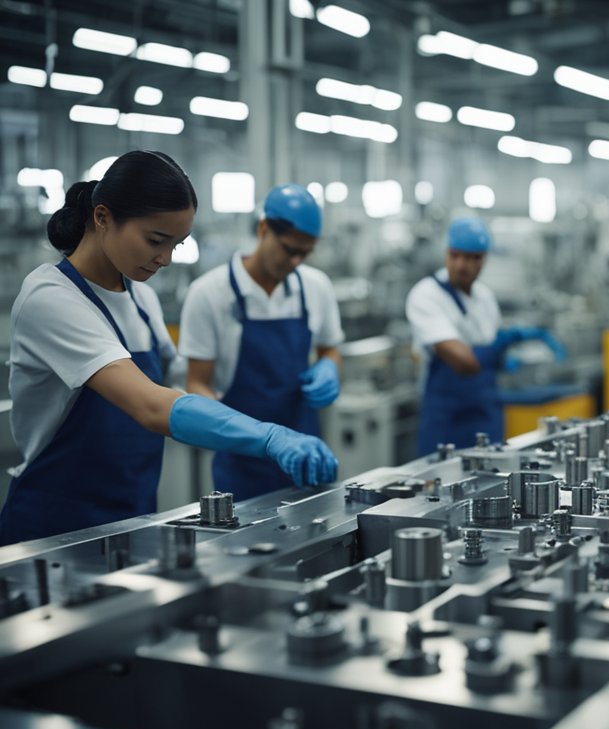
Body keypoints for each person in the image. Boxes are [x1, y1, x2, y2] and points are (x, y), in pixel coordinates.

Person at [0, 151, 338, 545]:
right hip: (54, 526)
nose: (165, 259)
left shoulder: (141, 299)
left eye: (177, 244)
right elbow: (152, 405)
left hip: (131, 515)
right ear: (103, 217)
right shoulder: (51, 297)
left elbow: (183, 386)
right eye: (156, 240)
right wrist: (268, 437)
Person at [178, 184, 344, 500]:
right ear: (263, 228)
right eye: (288, 249)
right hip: (242, 465)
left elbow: (330, 349)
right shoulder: (209, 294)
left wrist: (328, 367)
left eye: (305, 253)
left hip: (306, 460)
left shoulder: (316, 288)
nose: (296, 261)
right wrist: (253, 435)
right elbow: (197, 384)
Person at [405, 216, 565, 453]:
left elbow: (492, 354)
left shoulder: (485, 298)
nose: (462, 265)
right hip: (445, 423)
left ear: (484, 259)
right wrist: (506, 341)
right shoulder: (426, 295)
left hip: (486, 417)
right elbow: (464, 363)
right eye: (456, 255)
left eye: (472, 258)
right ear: (446, 253)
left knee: (492, 484)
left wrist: (508, 359)